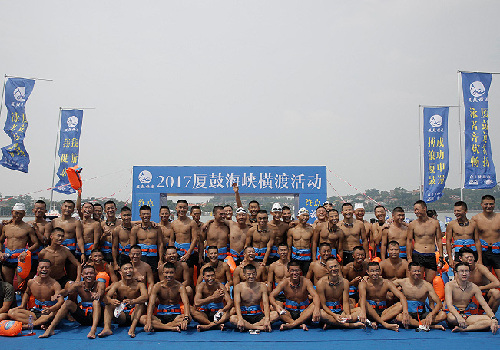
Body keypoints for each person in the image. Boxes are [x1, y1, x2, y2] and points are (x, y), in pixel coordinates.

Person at [39, 264, 106, 339]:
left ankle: (93, 330)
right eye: (86, 273)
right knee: (68, 303)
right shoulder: (78, 285)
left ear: (95, 274)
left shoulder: (100, 284)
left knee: (96, 302)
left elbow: (101, 291)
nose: (89, 275)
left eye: (91, 273)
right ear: (82, 275)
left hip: (98, 316)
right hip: (84, 317)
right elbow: (67, 291)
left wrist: (98, 295)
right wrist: (59, 293)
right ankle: (50, 328)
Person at [1, 259, 63, 329]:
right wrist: (22, 305)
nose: (44, 269)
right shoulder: (31, 282)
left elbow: (61, 301)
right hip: (35, 311)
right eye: (42, 267)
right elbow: (27, 292)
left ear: (50, 269)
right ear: (37, 269)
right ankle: (40, 324)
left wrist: (51, 309)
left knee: (50, 316)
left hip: (49, 312)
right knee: (11, 312)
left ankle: (26, 326)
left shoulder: (55, 284)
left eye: (47, 267)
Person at [445, 262, 498, 333]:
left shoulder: (473, 287)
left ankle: (464, 329)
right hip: (454, 315)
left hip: (467, 315)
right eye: (461, 271)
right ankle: (475, 325)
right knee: (451, 318)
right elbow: (449, 305)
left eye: (466, 271)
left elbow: (484, 305)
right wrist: (458, 317)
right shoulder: (449, 285)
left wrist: (493, 318)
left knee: (490, 320)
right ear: (456, 272)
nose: (464, 274)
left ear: (469, 272)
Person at [99, 261, 148, 338]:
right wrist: (111, 301)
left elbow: (145, 297)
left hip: (135, 314)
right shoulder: (117, 284)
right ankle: (107, 328)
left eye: (130, 268)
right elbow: (106, 297)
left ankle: (132, 328)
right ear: (121, 272)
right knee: (108, 304)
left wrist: (133, 301)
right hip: (121, 314)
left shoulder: (140, 284)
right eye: (125, 269)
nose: (128, 271)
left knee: (140, 302)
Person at [393, 262, 446, 330]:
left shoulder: (427, 285)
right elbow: (386, 286)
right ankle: (426, 326)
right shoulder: (401, 282)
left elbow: (439, 303)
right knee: (399, 317)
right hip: (406, 313)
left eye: (419, 271)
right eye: (414, 271)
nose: (417, 273)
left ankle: (415, 324)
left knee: (443, 315)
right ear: (409, 271)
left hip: (421, 313)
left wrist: (431, 314)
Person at [358, 262, 409, 331]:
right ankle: (384, 324)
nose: (375, 273)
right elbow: (362, 298)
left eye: (377, 270)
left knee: (400, 305)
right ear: (367, 272)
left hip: (383, 313)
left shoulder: (386, 282)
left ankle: (377, 322)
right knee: (362, 302)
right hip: (370, 312)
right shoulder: (363, 284)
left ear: (380, 271)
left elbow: (401, 296)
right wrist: (363, 312)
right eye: (372, 271)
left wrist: (405, 311)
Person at [270, 261, 320, 331]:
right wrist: (276, 306)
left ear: (300, 271)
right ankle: (298, 324)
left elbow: (315, 296)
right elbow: (271, 295)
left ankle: (292, 325)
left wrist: (317, 309)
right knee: (274, 307)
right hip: (289, 313)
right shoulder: (284, 283)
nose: (295, 273)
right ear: (288, 271)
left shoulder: (306, 282)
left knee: (315, 305)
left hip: (304, 313)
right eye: (292, 271)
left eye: (297, 270)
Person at [142, 262, 191, 332]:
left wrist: (186, 318)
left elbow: (186, 303)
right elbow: (151, 304)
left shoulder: (180, 286)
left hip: (176, 316)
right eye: (166, 273)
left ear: (175, 273)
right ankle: (171, 327)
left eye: (171, 273)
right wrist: (149, 320)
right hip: (160, 316)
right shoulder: (157, 286)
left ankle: (159, 327)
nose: (169, 275)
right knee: (143, 318)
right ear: (163, 273)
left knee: (188, 318)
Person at [316, 257, 365, 329]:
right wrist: (334, 315)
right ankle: (350, 325)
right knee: (320, 313)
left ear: (339, 267)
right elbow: (323, 305)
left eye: (335, 266)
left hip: (340, 312)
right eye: (331, 267)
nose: (334, 269)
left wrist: (348, 314)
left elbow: (345, 302)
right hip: (328, 313)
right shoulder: (321, 283)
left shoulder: (345, 282)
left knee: (360, 310)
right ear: (326, 269)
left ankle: (333, 324)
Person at [230, 264, 278, 331]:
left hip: (258, 315)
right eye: (249, 274)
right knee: (232, 318)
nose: (251, 276)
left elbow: (265, 303)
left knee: (275, 314)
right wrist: (240, 319)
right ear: (244, 275)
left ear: (256, 274)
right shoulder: (238, 287)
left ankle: (249, 327)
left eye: (253, 274)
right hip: (244, 315)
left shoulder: (262, 286)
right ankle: (259, 327)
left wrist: (267, 319)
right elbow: (237, 304)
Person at [0, 203, 39, 285]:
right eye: (16, 213)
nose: (18, 216)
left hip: (21, 258)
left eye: (20, 213)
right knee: (7, 284)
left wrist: (26, 252)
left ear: (24, 214)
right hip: (8, 257)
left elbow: (36, 244)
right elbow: (1, 241)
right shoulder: (6, 227)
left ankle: (21, 297)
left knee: (21, 284)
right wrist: (0, 252)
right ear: (12, 212)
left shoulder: (28, 228)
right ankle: (10, 298)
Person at [407, 200, 443, 283]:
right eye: (415, 210)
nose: (416, 212)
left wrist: (441, 256)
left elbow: (439, 240)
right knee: (417, 281)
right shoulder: (413, 224)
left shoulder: (435, 223)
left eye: (417, 209)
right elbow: (409, 241)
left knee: (430, 282)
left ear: (424, 209)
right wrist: (409, 257)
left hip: (431, 254)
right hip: (418, 254)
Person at [458, 247, 500, 313]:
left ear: (474, 258)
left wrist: (479, 288)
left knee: (496, 293)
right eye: (467, 257)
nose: (470, 259)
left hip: (484, 294)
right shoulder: (459, 270)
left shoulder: (480, 268)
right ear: (461, 258)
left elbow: (497, 283)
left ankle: (489, 316)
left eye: (471, 257)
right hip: (470, 296)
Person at [192, 266, 232, 331]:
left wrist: (223, 310)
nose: (210, 278)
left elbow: (229, 302)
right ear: (203, 277)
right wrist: (213, 297)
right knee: (191, 309)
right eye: (208, 276)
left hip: (218, 314)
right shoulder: (201, 286)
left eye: (212, 276)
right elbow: (196, 303)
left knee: (232, 310)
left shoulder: (219, 285)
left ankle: (209, 326)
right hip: (205, 314)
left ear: (215, 276)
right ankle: (215, 325)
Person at [52, 200, 84, 273]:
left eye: (70, 207)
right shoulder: (54, 221)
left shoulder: (76, 222)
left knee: (71, 270)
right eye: (65, 206)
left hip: (70, 250)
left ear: (73, 210)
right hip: (57, 250)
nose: (67, 209)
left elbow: (79, 238)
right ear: (61, 207)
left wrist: (82, 253)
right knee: (56, 270)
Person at [471, 195, 500, 277]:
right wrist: (479, 258)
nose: (489, 206)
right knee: (484, 278)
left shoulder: (499, 217)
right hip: (483, 252)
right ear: (481, 204)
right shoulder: (475, 219)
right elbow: (474, 238)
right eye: (486, 204)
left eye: (491, 204)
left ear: (494, 204)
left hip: (497, 251)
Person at [130, 205, 163, 274]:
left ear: (150, 214)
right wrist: (133, 259)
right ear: (140, 215)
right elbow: (132, 246)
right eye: (143, 214)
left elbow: (160, 244)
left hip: (153, 256)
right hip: (141, 257)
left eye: (147, 214)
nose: (145, 216)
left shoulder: (157, 228)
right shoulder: (135, 229)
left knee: (154, 275)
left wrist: (160, 259)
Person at [446, 201, 479, 267]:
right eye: (455, 211)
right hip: (459, 251)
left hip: (472, 251)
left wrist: (480, 258)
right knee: (458, 272)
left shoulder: (473, 224)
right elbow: (448, 241)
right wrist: (450, 258)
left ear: (465, 211)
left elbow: (477, 241)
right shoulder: (451, 224)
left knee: (474, 272)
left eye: (458, 211)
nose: (456, 213)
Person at [27, 200, 52, 276]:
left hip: (41, 255)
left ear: (45, 211)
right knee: (28, 276)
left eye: (41, 209)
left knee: (42, 276)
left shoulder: (47, 225)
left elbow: (45, 241)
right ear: (33, 210)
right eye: (37, 208)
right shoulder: (27, 224)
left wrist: (36, 229)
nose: (39, 210)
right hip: (30, 253)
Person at [171, 200, 198, 268]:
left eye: (184, 208)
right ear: (176, 208)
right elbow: (171, 240)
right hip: (176, 253)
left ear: (187, 209)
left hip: (188, 252)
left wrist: (188, 253)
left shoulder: (192, 223)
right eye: (180, 207)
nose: (182, 210)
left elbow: (194, 239)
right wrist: (171, 253)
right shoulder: (173, 223)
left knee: (188, 275)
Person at [287, 208, 314, 275]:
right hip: (295, 258)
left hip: (307, 258)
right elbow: (289, 247)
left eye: (307, 216)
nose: (305, 217)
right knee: (294, 275)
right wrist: (288, 259)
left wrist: (314, 259)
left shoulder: (311, 230)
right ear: (298, 217)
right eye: (303, 215)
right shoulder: (292, 230)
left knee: (306, 276)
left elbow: (313, 246)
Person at [112, 206, 133, 270]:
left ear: (131, 215)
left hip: (134, 257)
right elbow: (114, 247)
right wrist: (115, 263)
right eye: (124, 215)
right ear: (121, 216)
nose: (126, 218)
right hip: (122, 256)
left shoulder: (136, 228)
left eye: (128, 215)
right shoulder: (117, 230)